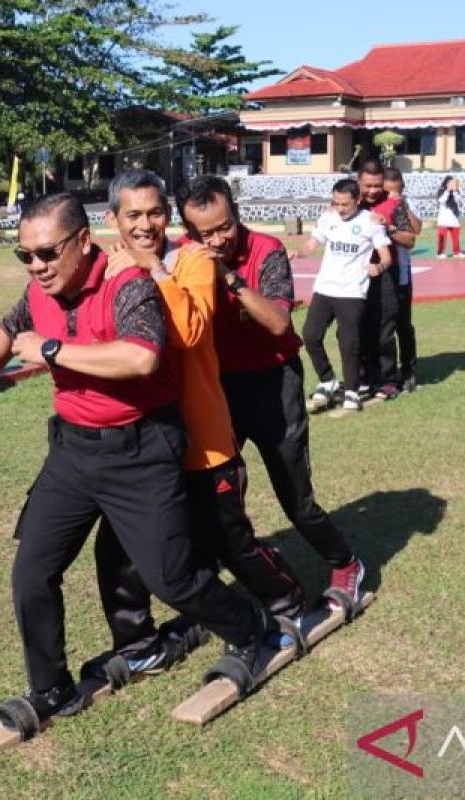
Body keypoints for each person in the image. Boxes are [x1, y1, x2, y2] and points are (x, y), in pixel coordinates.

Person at [0, 192, 280, 721]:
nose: (36, 266)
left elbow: (141, 358)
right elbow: (9, 329)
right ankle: (50, 689)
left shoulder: (129, 284)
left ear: (83, 241)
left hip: (140, 449)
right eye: (25, 255)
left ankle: (251, 629)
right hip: (73, 450)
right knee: (33, 570)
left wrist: (50, 350)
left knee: (171, 577)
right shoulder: (39, 289)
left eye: (47, 253)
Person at [91, 169, 307, 674]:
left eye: (155, 213)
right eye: (133, 215)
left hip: (202, 434)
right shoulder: (106, 266)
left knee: (228, 538)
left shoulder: (192, 260)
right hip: (143, 438)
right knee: (127, 545)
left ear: (168, 216)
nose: (145, 225)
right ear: (114, 219)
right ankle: (139, 643)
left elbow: (189, 331)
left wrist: (151, 268)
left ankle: (288, 600)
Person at [176, 175, 374, 612]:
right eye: (205, 233)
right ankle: (220, 583)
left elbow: (279, 323)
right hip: (219, 389)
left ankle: (346, 563)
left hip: (273, 383)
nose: (218, 239)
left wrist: (227, 277)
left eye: (225, 226)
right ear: (189, 231)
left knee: (295, 499)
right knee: (212, 493)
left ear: (236, 213)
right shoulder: (185, 255)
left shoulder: (266, 250)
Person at [293, 178, 391, 414]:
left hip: (352, 291)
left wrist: (379, 267)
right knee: (310, 335)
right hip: (325, 288)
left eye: (345, 204)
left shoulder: (370, 222)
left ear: (358, 200)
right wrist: (297, 252)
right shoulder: (328, 218)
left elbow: (386, 256)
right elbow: (312, 244)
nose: (340, 208)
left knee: (349, 343)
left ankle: (352, 392)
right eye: (336, 203)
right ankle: (328, 380)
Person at [357, 161, 417, 401]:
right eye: (367, 186)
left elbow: (410, 239)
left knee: (388, 328)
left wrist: (388, 227)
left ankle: (391, 377)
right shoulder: (351, 201)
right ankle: (363, 377)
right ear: (359, 182)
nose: (372, 191)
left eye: (377, 185)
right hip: (355, 275)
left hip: (388, 274)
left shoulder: (394, 204)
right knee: (357, 328)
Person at [384, 167, 423, 393]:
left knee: (403, 323)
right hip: (379, 271)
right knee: (382, 325)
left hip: (401, 271)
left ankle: (408, 368)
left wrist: (402, 205)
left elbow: (416, 230)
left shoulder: (406, 203)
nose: (390, 195)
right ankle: (384, 372)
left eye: (395, 191)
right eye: (387, 191)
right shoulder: (374, 204)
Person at [435, 176, 464, 259]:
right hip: (443, 219)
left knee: (456, 237)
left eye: (452, 182)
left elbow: (458, 201)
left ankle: (457, 252)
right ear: (446, 183)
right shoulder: (441, 191)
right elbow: (442, 201)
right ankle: (440, 253)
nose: (451, 184)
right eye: (449, 182)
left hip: (454, 218)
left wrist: (454, 191)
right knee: (442, 236)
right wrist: (447, 191)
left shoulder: (456, 192)